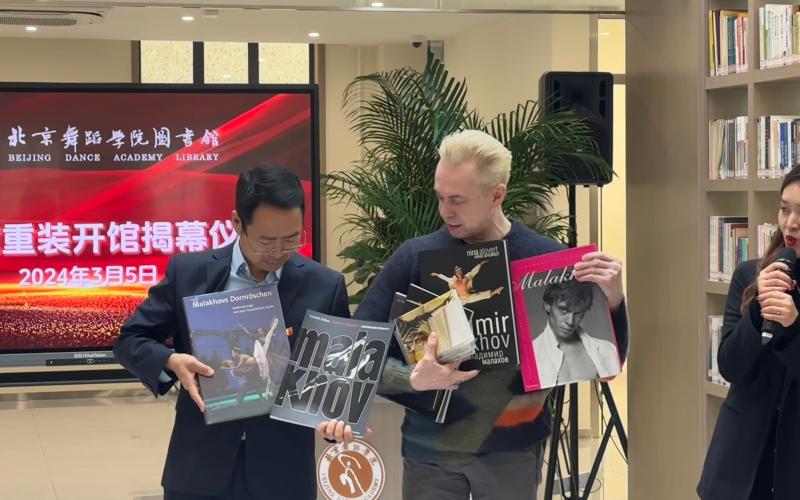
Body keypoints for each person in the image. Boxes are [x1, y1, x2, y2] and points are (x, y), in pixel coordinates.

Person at [327, 129, 630, 500]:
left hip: (512, 450)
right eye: (440, 197)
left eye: (457, 200)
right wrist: (411, 378)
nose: (445, 211)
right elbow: (356, 348)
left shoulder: (545, 260)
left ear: (497, 194)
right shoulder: (414, 257)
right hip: (430, 452)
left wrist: (613, 302)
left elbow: (607, 365)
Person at [114, 165, 351, 500]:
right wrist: (170, 361)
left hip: (283, 473)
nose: (278, 252)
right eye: (266, 241)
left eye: (291, 239)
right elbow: (130, 340)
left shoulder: (324, 286)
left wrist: (335, 421)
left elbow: (337, 378)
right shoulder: (190, 272)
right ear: (237, 223)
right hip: (198, 467)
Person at [698, 165, 800, 500]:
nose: (791, 223)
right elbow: (730, 366)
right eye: (784, 209)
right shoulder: (749, 276)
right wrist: (757, 310)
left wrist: (793, 327)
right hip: (738, 466)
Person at [532, 279, 621, 388]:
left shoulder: (607, 349)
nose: (570, 321)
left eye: (578, 313)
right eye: (563, 310)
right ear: (547, 305)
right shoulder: (532, 355)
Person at [430, 261, 504, 305]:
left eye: (459, 270)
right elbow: (444, 277)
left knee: (481, 296)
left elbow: (473, 271)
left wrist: (480, 264)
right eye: (457, 271)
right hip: (461, 300)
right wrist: (436, 274)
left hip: (469, 297)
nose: (459, 272)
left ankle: (497, 291)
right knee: (450, 302)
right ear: (455, 273)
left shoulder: (466, 278)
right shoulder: (453, 281)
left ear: (461, 271)